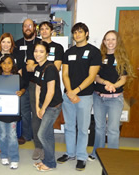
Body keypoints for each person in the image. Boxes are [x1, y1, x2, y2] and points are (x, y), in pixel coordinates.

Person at [57, 22, 101, 171]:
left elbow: (92, 76)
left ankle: (81, 156)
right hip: (68, 96)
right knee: (69, 127)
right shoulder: (68, 52)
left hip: (85, 96)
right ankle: (70, 153)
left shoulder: (94, 52)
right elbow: (65, 74)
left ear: (86, 33)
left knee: (83, 128)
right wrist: (70, 92)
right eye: (75, 33)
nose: (77, 35)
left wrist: (76, 91)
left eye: (80, 32)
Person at [88, 30, 134, 161]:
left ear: (117, 41)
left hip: (115, 99)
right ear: (103, 42)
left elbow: (123, 78)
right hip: (98, 98)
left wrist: (113, 86)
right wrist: (106, 82)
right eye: (107, 39)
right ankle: (97, 152)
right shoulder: (99, 57)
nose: (110, 42)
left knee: (113, 129)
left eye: (113, 39)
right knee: (99, 127)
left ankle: (113, 155)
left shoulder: (121, 58)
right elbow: (96, 77)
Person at [0, 32, 23, 156]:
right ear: (0, 43)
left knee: (11, 125)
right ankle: (0, 146)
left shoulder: (16, 56)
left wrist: (19, 90)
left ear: (12, 44)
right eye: (3, 42)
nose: (6, 44)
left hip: (12, 94)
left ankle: (10, 147)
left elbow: (19, 75)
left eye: (8, 42)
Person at [0, 54, 26, 169]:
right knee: (2, 134)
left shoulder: (17, 77)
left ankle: (14, 158)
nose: (6, 65)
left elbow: (24, 87)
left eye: (9, 63)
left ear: (13, 64)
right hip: (1, 111)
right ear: (0, 64)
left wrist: (21, 92)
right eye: (4, 63)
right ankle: (4, 155)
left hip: (12, 111)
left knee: (12, 135)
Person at [32, 41, 63, 172]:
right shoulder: (38, 67)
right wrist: (38, 107)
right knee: (48, 134)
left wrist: (43, 108)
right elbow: (38, 88)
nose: (37, 54)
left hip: (52, 106)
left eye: (41, 51)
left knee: (42, 134)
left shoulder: (50, 68)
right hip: (43, 105)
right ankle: (48, 161)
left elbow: (51, 91)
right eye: (36, 51)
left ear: (47, 54)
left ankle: (50, 163)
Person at [15, 18, 41, 150]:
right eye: (25, 26)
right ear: (22, 28)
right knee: (24, 111)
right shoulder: (17, 44)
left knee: (37, 111)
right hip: (23, 83)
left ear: (34, 28)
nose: (28, 28)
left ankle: (38, 136)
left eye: (30, 25)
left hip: (38, 84)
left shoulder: (40, 44)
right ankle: (26, 135)